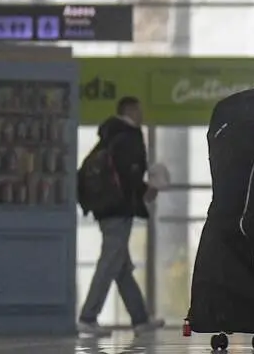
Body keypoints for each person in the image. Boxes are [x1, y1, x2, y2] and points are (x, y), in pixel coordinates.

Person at [77, 97, 165, 337]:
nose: (142, 114)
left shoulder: (109, 135)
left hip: (104, 206)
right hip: (118, 208)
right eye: (139, 110)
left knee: (121, 267)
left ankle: (140, 319)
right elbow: (130, 173)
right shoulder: (129, 136)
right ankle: (88, 317)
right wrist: (146, 190)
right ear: (131, 110)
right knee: (109, 262)